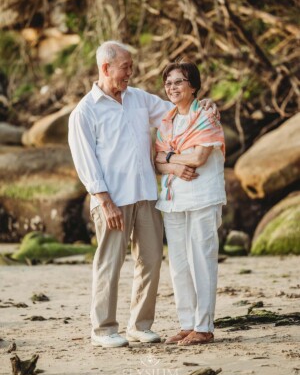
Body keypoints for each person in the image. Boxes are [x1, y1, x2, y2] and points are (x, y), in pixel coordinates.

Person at [68, 41, 217, 348]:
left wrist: (207, 106)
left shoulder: (138, 98)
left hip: (147, 195)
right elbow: (86, 161)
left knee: (150, 260)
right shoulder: (85, 111)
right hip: (112, 199)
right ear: (106, 68)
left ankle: (140, 324)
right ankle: (104, 329)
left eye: (131, 67)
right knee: (109, 262)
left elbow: (179, 112)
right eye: (126, 67)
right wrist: (103, 200)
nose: (131, 73)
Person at [155, 58, 226, 346]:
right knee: (179, 263)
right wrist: (172, 163)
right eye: (168, 82)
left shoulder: (206, 116)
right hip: (172, 198)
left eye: (179, 81)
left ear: (193, 86)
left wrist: (170, 156)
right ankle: (187, 324)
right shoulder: (167, 120)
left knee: (202, 260)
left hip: (202, 196)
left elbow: (199, 158)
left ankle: (204, 326)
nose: (172, 87)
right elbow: (157, 160)